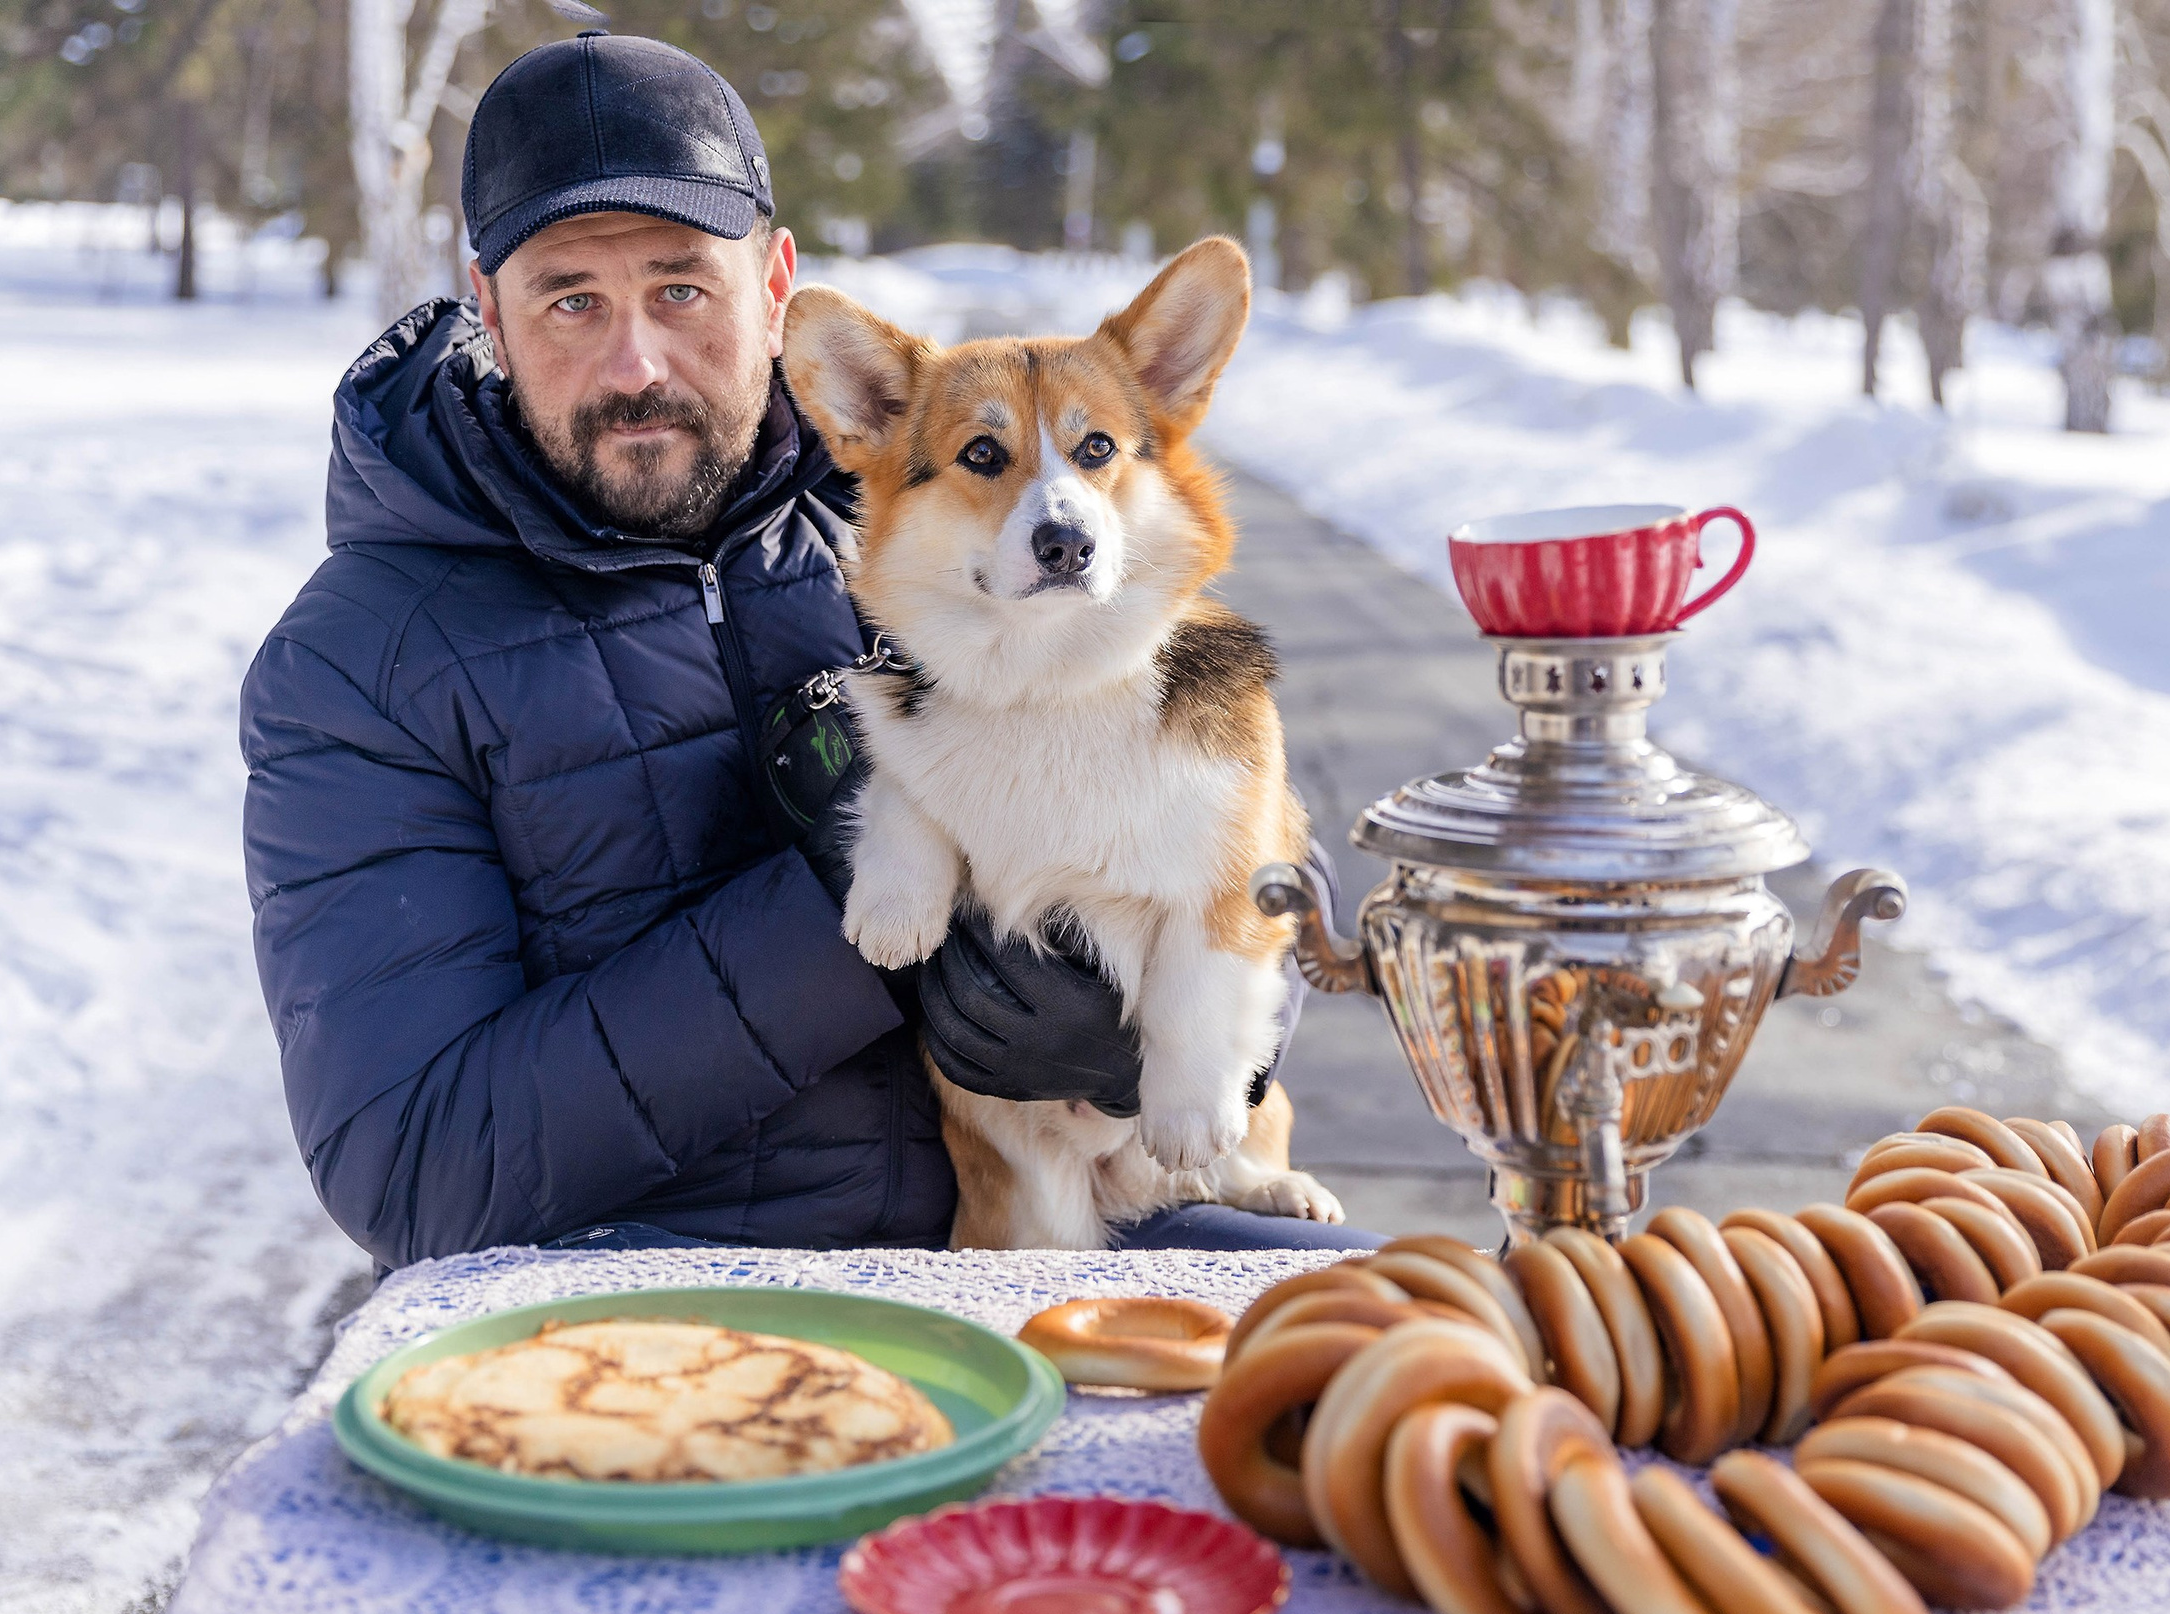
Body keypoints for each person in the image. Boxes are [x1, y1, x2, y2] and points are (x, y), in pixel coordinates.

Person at [239, 30, 1379, 1268]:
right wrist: (849, 902)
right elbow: (420, 1174)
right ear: (489, 314)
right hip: (655, 1290)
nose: (635, 364)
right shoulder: (360, 666)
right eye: (571, 300)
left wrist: (1161, 1034)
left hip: (1076, 1210)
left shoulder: (939, 520)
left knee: (1458, 1367)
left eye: (682, 289)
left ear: (776, 284)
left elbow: (1251, 866)